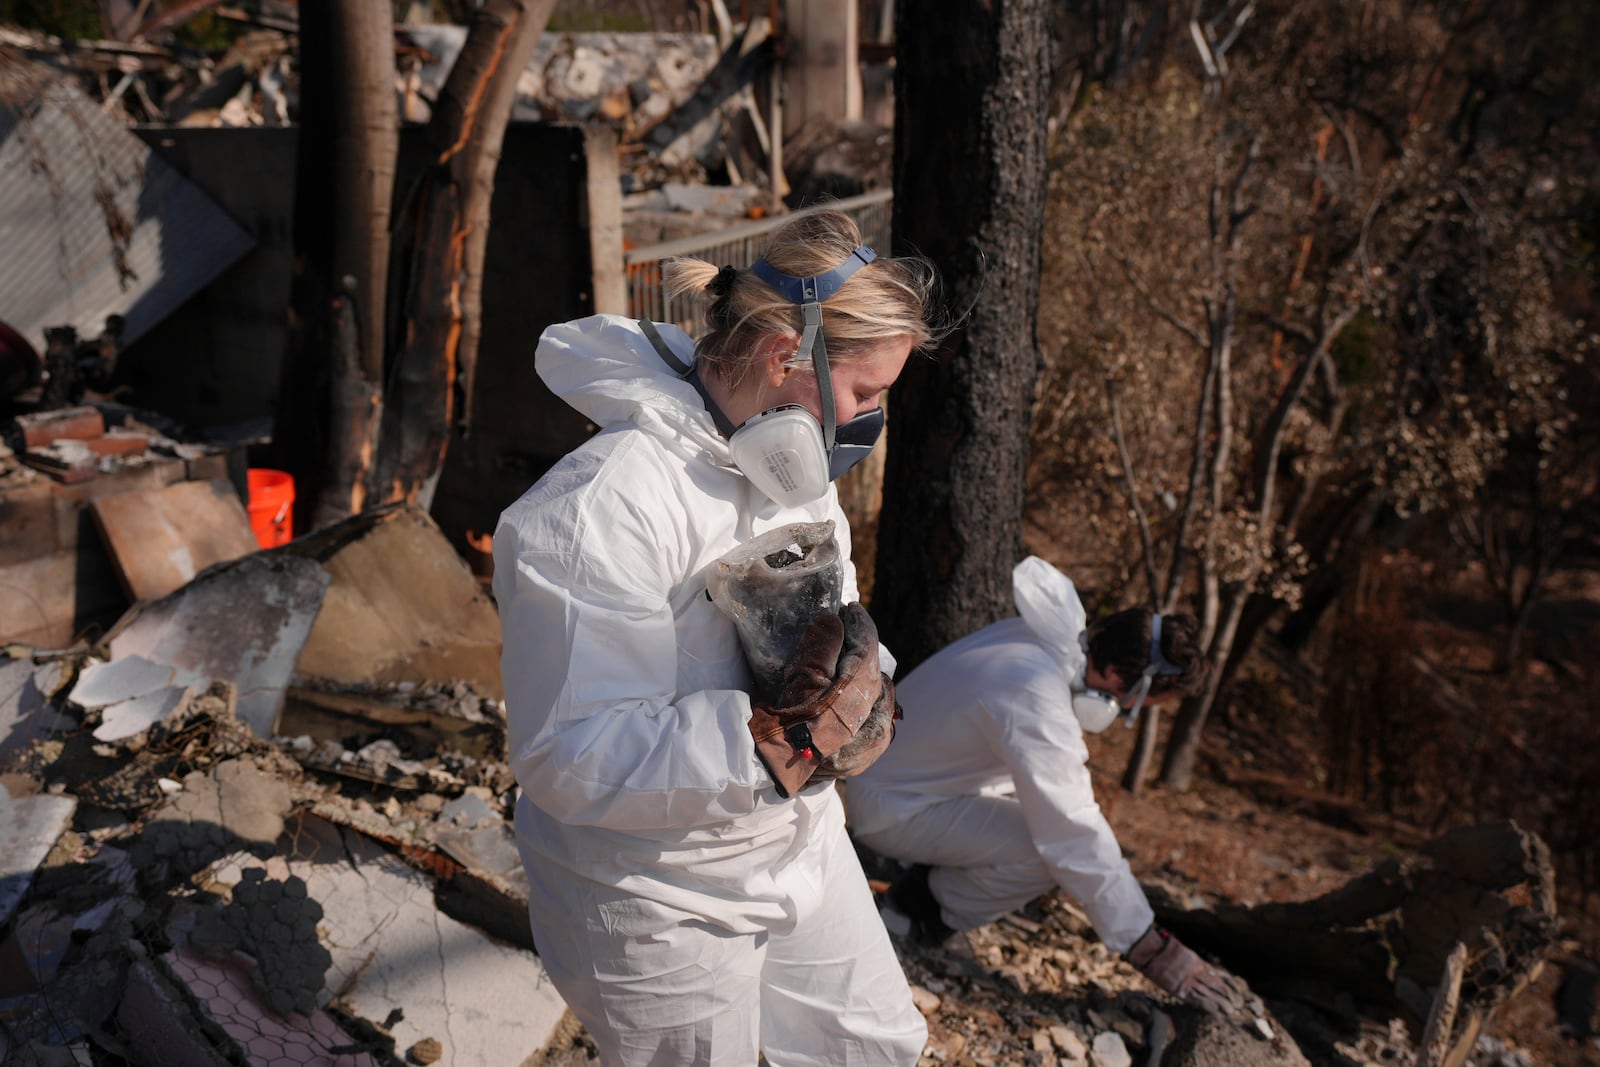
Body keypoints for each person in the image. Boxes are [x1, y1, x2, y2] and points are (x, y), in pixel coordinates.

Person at [493, 208, 941, 1067]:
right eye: (868, 393)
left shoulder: (790, 469)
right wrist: (781, 744)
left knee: (874, 1048)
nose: (874, 421)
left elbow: (830, 633)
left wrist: (864, 687)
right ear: (785, 357)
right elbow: (567, 754)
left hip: (792, 841)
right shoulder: (600, 506)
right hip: (651, 897)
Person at [846, 556, 1249, 1016]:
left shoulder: (1042, 641)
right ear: (1120, 679)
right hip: (892, 807)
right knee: (1046, 853)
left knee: (1040, 820)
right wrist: (1148, 946)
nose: (1137, 712)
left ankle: (917, 893)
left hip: (895, 780)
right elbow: (1074, 832)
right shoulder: (1035, 694)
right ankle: (914, 915)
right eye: (1149, 702)